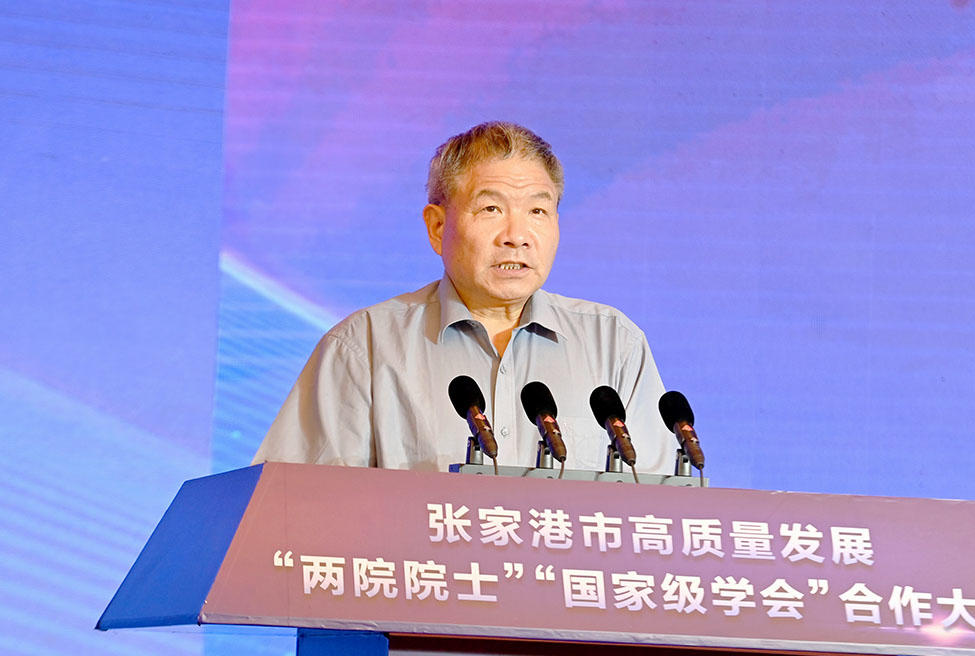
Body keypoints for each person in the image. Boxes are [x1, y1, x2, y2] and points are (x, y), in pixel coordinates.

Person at [253, 122, 670, 473]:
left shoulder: (613, 345)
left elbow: (661, 509)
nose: (517, 236)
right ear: (437, 228)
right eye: (491, 209)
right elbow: (290, 507)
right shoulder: (365, 347)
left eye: (538, 212)